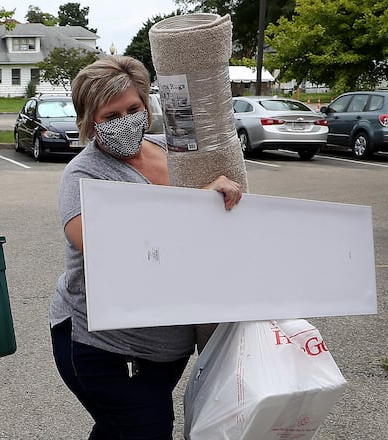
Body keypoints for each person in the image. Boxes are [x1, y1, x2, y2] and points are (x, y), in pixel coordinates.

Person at [49, 55, 243, 440]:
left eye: (133, 108)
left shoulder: (173, 152)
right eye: (110, 116)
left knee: (118, 431)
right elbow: (108, 248)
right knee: (145, 432)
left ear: (146, 103)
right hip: (104, 347)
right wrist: (196, 205)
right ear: (90, 122)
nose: (126, 120)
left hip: (167, 349)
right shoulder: (84, 175)